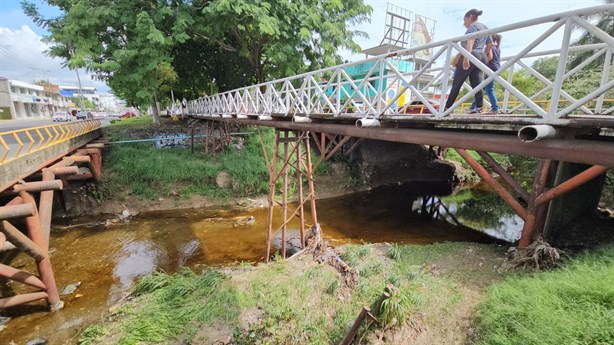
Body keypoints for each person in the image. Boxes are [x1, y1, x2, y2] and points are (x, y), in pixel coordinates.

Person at [445, 9, 492, 114]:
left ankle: (447, 108)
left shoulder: (473, 27)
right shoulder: (485, 27)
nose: (463, 23)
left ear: (469, 17)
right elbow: (490, 44)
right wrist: (483, 54)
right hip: (481, 56)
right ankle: (479, 108)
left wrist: (467, 58)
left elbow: (470, 41)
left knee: (457, 83)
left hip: (472, 54)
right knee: (477, 83)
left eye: (464, 20)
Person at [469, 34, 502, 114]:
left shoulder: (489, 46)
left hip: (490, 69)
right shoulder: (498, 48)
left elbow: (489, 57)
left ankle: (495, 108)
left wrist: (482, 63)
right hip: (496, 68)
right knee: (482, 88)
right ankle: (473, 107)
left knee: (489, 90)